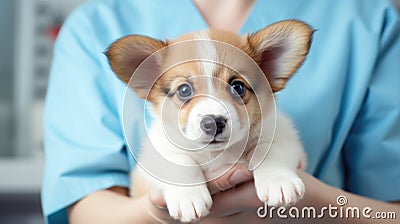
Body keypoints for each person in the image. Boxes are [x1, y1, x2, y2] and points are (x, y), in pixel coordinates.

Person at [41, 0, 400, 223]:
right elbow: (83, 207)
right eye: (184, 91)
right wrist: (156, 211)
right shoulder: (93, 26)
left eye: (238, 87)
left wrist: (317, 205)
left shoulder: (365, 15)